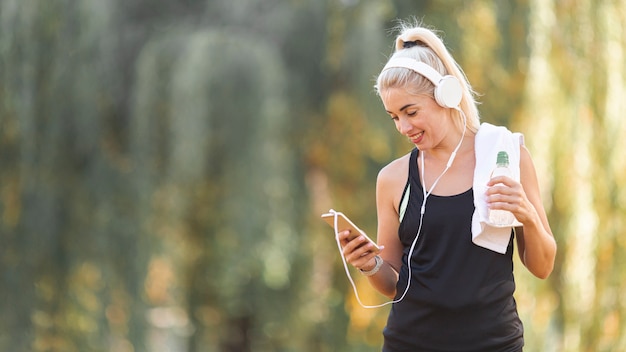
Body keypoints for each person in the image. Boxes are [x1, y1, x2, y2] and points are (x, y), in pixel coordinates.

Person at [338, 22, 557, 351]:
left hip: (493, 343)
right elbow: (394, 283)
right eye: (394, 117)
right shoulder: (393, 179)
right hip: (410, 342)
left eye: (411, 112)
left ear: (446, 95)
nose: (403, 127)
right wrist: (368, 263)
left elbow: (542, 267)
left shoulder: (507, 158)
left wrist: (527, 215)